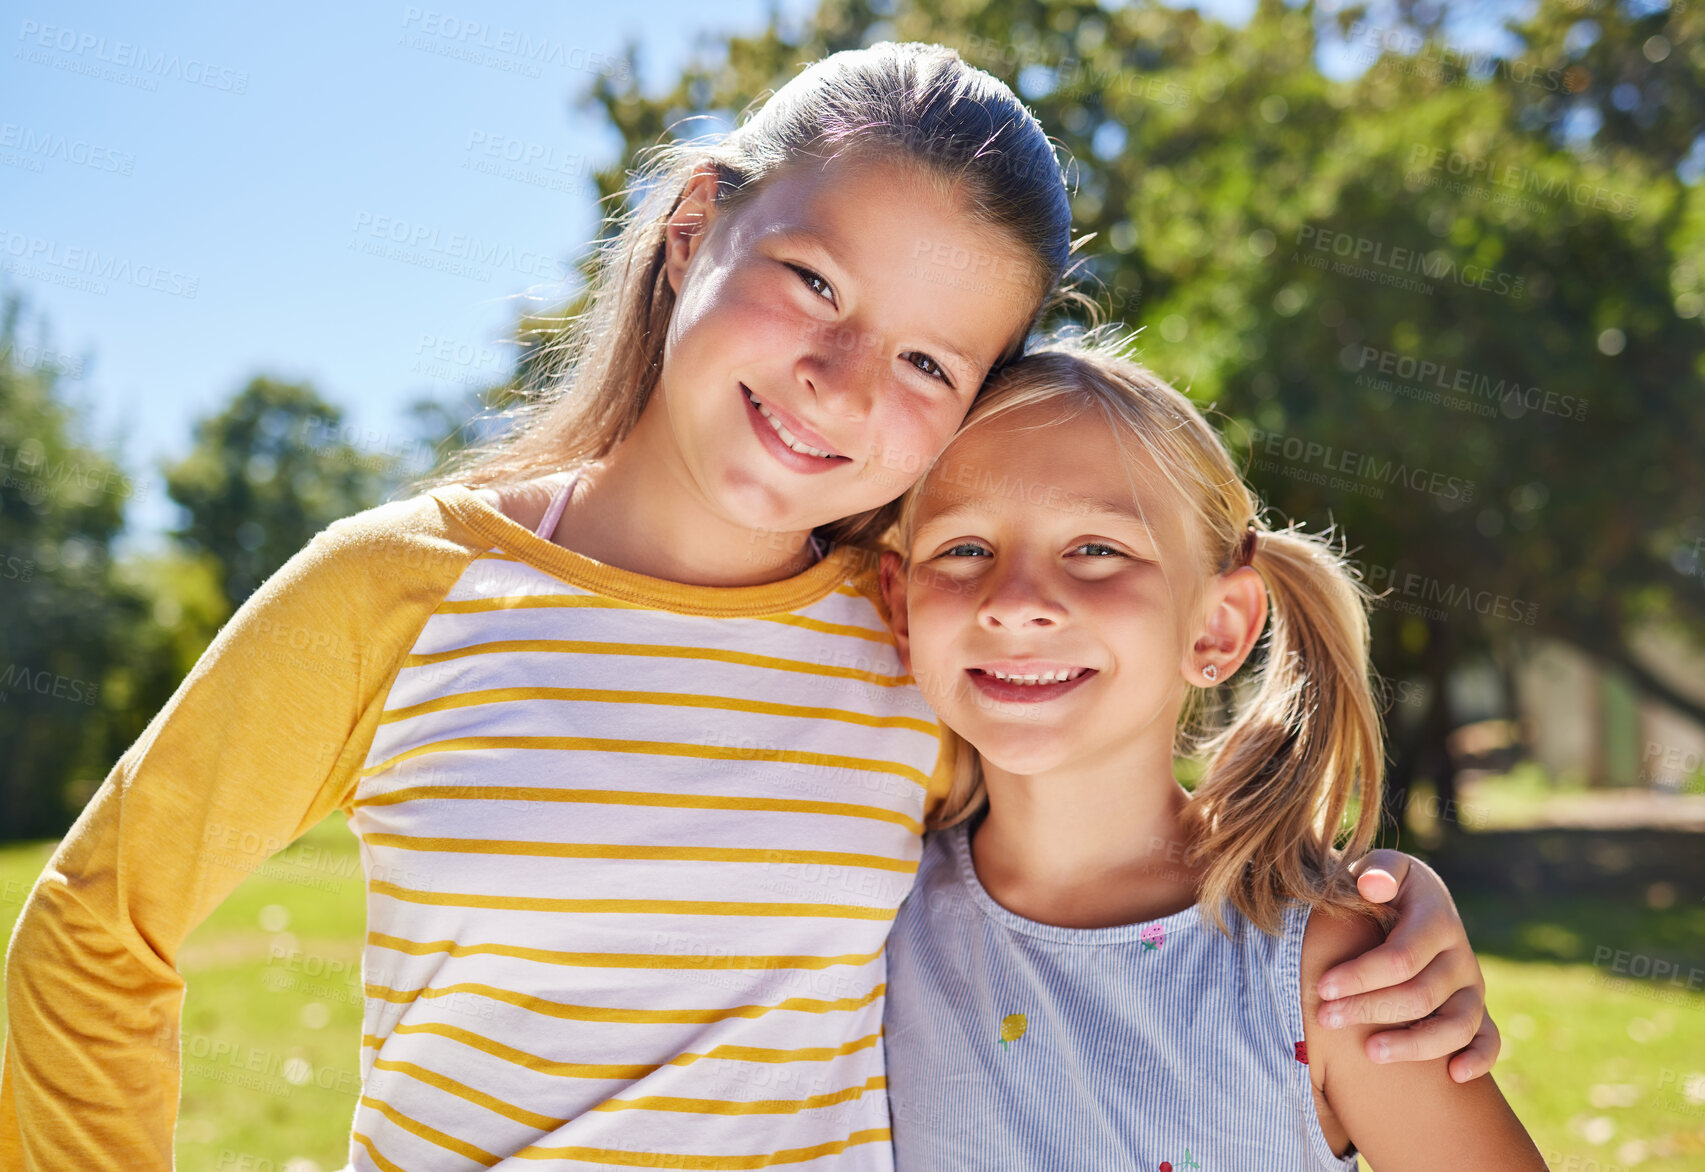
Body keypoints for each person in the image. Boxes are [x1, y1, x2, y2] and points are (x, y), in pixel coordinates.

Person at [4, 44, 1492, 1171]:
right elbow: (95, 926)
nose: (842, 385)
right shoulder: (400, 591)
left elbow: (1121, 837)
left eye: (929, 366)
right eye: (812, 281)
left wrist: (1367, 913)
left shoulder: (909, 630)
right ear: (695, 224)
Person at [878, 336, 1544, 1169]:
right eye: (964, 548)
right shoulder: (864, 917)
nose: (1014, 603)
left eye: (1096, 549)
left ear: (1217, 628)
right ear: (900, 606)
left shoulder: (1333, 969)